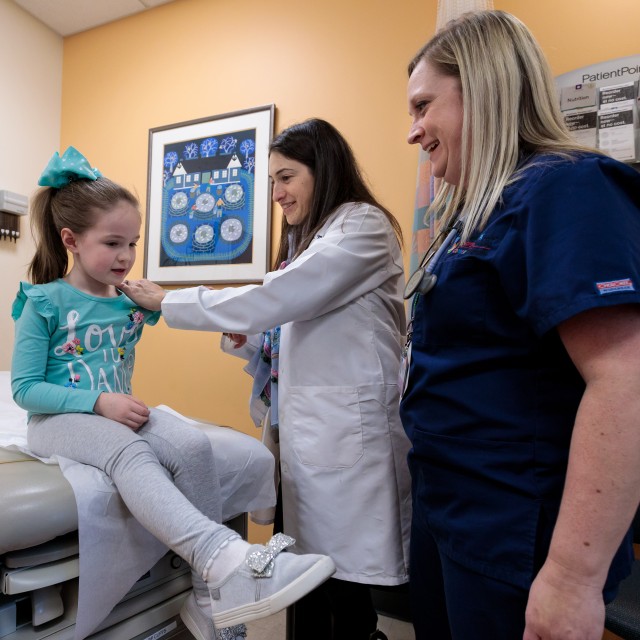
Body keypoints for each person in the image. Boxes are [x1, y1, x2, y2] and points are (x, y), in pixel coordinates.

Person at [11, 146, 335, 640]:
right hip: (57, 422)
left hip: (111, 413)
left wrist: (163, 308)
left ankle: (212, 601)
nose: (125, 257)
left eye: (133, 244)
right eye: (112, 243)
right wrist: (99, 402)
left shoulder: (127, 302)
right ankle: (220, 560)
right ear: (71, 240)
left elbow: (164, 321)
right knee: (128, 449)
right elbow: (26, 389)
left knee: (190, 444)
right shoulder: (43, 302)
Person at [120, 118, 412, 640]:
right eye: (272, 181)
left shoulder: (360, 227)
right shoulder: (309, 240)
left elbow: (279, 297)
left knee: (341, 575)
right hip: (308, 426)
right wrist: (249, 339)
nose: (276, 194)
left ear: (323, 170)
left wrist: (170, 299)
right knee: (310, 570)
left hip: (347, 430)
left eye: (286, 177)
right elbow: (292, 325)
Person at [400, 9, 640, 640]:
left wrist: (571, 578)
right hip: (456, 506)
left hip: (516, 524)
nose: (414, 131)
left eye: (424, 106)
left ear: (481, 89)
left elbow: (625, 378)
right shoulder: (478, 214)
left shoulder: (565, 189)